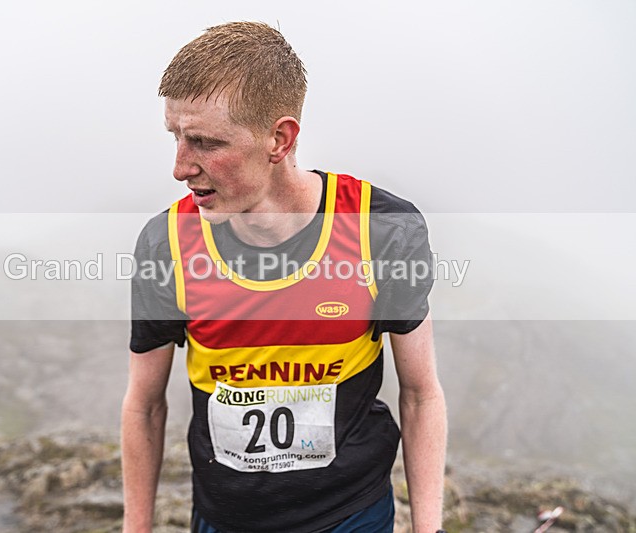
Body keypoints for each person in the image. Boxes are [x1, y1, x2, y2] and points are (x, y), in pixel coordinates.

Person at [121, 21, 447, 533]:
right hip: (223, 518)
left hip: (351, 515)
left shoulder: (380, 229)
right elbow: (144, 405)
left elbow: (421, 393)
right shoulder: (165, 243)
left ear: (279, 138)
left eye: (205, 143)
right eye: (176, 137)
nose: (181, 168)